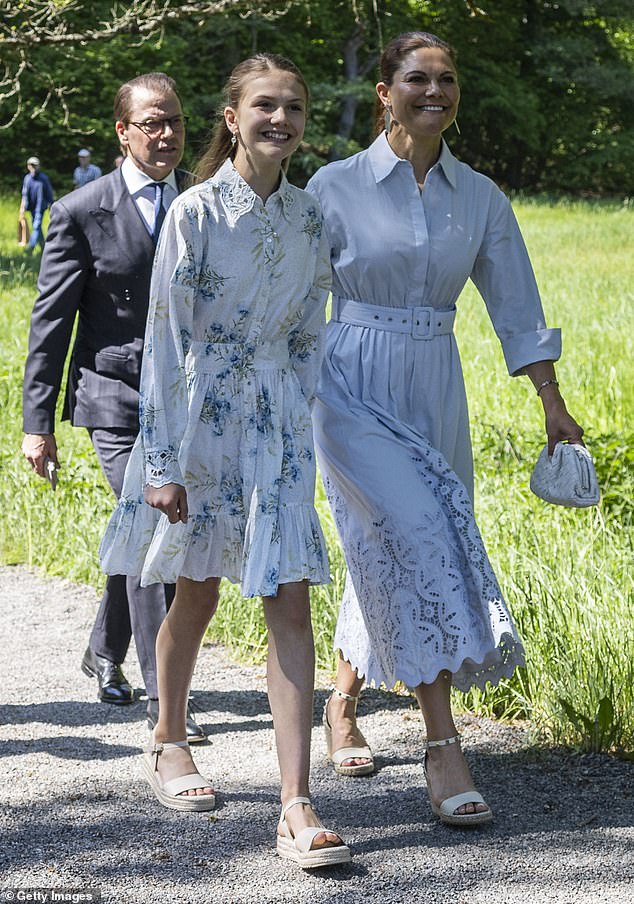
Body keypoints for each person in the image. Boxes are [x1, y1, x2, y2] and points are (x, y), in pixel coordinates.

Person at [306, 31, 585, 826]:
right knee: (420, 530)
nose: (435, 91)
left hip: (435, 379)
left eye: (447, 79)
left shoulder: (481, 196)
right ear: (385, 92)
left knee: (393, 541)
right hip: (349, 382)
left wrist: (551, 402)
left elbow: (518, 309)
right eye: (417, 78)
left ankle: (343, 704)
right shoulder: (333, 186)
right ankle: (442, 747)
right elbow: (293, 299)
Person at [99, 52, 350, 868]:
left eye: (295, 108)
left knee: (290, 595)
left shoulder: (313, 217)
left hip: (277, 424)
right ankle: (168, 734)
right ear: (233, 117)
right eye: (266, 106)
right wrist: (163, 462)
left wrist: (305, 418)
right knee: (197, 590)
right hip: (202, 417)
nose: (282, 120)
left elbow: (313, 329)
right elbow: (164, 341)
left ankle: (295, 803)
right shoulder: (196, 212)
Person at [21, 72, 206, 743]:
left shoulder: (206, 200)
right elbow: (50, 327)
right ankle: (167, 700)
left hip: (188, 404)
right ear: (123, 132)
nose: (166, 134)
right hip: (115, 400)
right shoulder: (79, 212)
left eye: (175, 122)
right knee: (157, 533)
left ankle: (104, 648)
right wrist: (37, 426)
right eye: (151, 123)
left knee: (148, 535)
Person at [19, 156, 54, 252]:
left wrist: (52, 205)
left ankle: (30, 247)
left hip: (40, 207)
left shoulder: (44, 178)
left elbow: (49, 193)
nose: (33, 167)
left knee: (36, 226)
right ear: (28, 166)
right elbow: (24, 195)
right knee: (37, 228)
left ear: (38, 166)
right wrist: (22, 208)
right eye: (31, 165)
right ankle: (44, 246)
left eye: (35, 165)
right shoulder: (27, 178)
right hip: (31, 208)